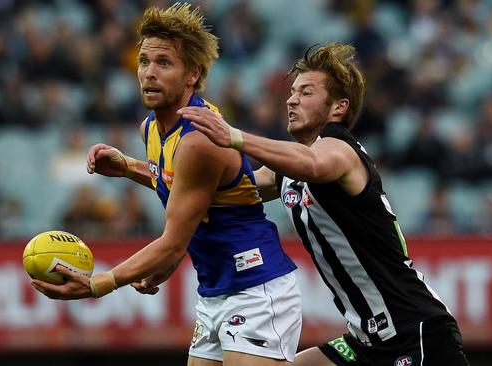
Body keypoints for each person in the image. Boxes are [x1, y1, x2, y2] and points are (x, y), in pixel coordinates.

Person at [30, 4, 301, 365]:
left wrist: (99, 284)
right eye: (144, 61)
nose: (149, 73)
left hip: (256, 288)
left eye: (163, 63)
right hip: (215, 292)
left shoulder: (199, 140)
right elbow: (185, 189)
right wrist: (129, 166)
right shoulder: (151, 129)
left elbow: (173, 242)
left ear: (192, 75)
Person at [180, 43, 470, 366]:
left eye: (306, 92)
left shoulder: (340, 151)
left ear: (338, 108)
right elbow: (225, 190)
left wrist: (234, 137)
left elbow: (314, 166)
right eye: (292, 91)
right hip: (364, 342)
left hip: (415, 332)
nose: (291, 99)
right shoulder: (290, 167)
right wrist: (136, 168)